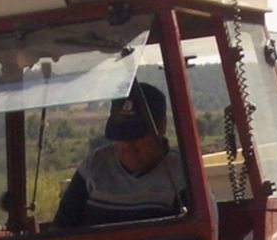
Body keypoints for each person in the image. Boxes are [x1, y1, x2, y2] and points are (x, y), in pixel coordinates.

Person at [51, 81, 191, 228]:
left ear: (161, 127)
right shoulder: (94, 166)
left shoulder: (182, 176)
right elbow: (62, 229)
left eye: (135, 134)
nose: (127, 144)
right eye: (120, 134)